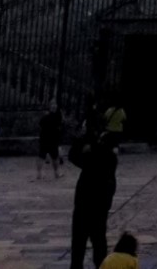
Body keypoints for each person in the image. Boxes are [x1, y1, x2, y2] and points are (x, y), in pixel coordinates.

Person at [65, 134, 116, 269]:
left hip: (84, 206)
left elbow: (72, 156)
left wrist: (83, 141)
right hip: (100, 208)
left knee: (78, 244)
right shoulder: (111, 159)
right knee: (99, 242)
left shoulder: (93, 158)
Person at [38, 109, 63, 180]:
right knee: (55, 158)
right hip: (53, 140)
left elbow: (40, 126)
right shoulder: (56, 118)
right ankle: (56, 173)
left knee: (41, 156)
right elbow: (59, 128)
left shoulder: (44, 118)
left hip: (44, 139)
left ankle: (39, 174)